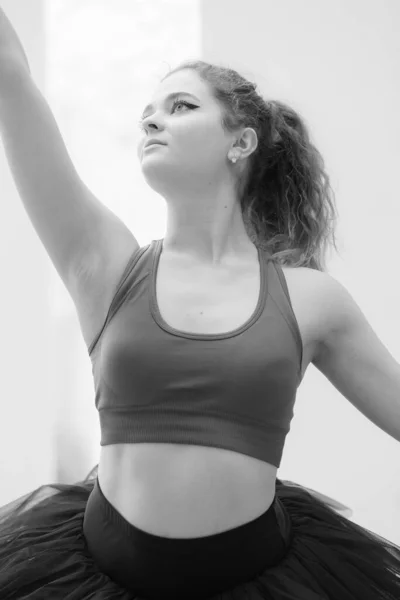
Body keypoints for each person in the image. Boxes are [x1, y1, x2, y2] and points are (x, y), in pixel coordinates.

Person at [0, 5, 400, 599]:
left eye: (181, 107)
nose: (153, 123)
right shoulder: (105, 263)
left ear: (241, 141)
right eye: (147, 116)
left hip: (265, 578)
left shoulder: (312, 299)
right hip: (94, 578)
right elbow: (10, 78)